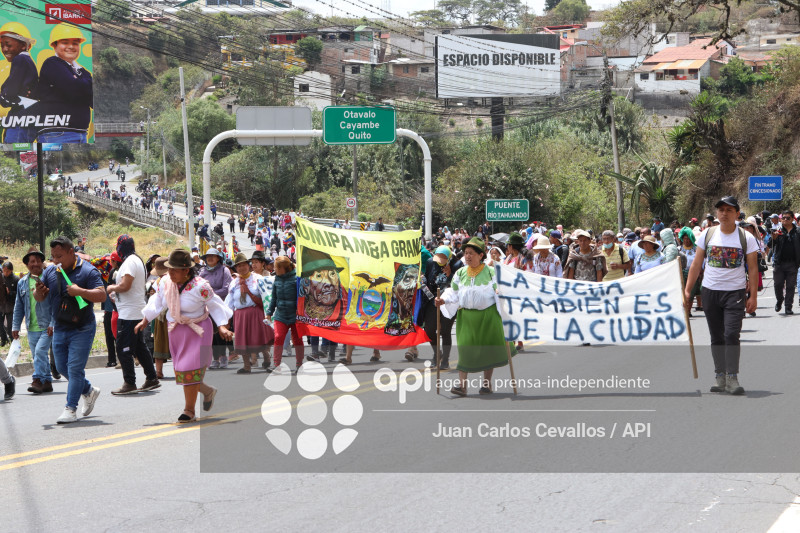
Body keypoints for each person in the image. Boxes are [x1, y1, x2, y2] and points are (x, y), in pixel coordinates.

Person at [137, 249, 233, 423]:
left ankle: (189, 411)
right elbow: (157, 302)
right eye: (169, 269)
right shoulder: (164, 283)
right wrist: (145, 320)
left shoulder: (200, 286)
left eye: (174, 270)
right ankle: (207, 391)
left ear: (186, 270)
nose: (170, 273)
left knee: (190, 369)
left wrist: (222, 327)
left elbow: (215, 306)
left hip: (198, 330)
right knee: (184, 372)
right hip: (176, 330)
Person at [684, 196, 758, 396]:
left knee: (731, 334)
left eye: (728, 210)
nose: (724, 213)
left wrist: (753, 296)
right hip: (710, 293)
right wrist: (688, 291)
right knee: (716, 336)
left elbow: (752, 268)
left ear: (736, 214)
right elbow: (696, 265)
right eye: (721, 210)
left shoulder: (746, 238)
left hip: (734, 293)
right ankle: (720, 376)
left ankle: (732, 377)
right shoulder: (707, 235)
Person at [34, 236, 104, 423]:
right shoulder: (51, 271)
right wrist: (38, 291)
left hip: (82, 327)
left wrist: (80, 291)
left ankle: (70, 408)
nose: (56, 260)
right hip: (60, 326)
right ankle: (89, 390)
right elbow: (39, 298)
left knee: (74, 369)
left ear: (71, 252)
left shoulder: (88, 270)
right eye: (53, 256)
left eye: (59, 256)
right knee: (62, 367)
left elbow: (102, 294)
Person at [435, 237, 515, 396]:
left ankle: (486, 384)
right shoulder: (460, 273)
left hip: (487, 317)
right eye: (466, 253)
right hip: (466, 318)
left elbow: (500, 290)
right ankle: (462, 386)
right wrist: (443, 299)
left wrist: (500, 293)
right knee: (465, 351)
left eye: (471, 253)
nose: (468, 256)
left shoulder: (492, 272)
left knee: (486, 352)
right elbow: (454, 292)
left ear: (480, 255)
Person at [106, 235, 160, 395]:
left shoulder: (130, 261)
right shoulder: (136, 259)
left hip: (129, 313)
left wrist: (111, 288)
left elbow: (126, 285)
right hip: (134, 309)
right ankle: (152, 378)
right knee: (139, 347)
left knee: (123, 347)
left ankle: (129, 383)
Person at [30, 24, 92, 143]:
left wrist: (78, 82)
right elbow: (73, 88)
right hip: (57, 133)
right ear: (54, 45)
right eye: (65, 42)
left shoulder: (83, 72)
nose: (71, 46)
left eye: (75, 43)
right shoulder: (52, 64)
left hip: (81, 133)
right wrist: (82, 85)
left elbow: (92, 98)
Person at [11, 248, 53, 393]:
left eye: (38, 261)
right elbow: (18, 306)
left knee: (41, 351)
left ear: (42, 262)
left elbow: (56, 302)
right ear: (27, 264)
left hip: (47, 325)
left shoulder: (48, 279)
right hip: (31, 327)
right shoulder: (22, 283)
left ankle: (37, 380)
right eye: (32, 261)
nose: (35, 264)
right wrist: (15, 326)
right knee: (37, 355)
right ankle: (47, 380)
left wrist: (53, 323)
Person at [224, 253, 269, 374]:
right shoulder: (234, 283)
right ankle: (246, 365)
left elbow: (266, 296)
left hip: (255, 312)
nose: (241, 268)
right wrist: (227, 319)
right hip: (240, 315)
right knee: (242, 341)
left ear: (248, 266)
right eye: (238, 266)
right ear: (236, 269)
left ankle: (266, 357)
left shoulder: (257, 279)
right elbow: (229, 301)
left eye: (243, 265)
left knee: (259, 338)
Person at [0, 22, 38, 143]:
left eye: (8, 44)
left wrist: (4, 98)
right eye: (1, 45)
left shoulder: (20, 59)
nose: (4, 49)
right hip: (24, 120)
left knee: (15, 152)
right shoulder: (27, 61)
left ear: (23, 45)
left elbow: (9, 95)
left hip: (21, 121)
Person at [266, 256, 304, 373]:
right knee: (278, 337)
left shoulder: (296, 279)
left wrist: (300, 312)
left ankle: (299, 364)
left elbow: (302, 297)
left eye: (276, 267)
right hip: (280, 314)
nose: (274, 269)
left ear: (282, 268)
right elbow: (274, 298)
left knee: (297, 340)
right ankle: (276, 365)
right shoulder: (276, 279)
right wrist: (269, 312)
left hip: (295, 315)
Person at [198, 248, 233, 370]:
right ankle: (215, 358)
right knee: (210, 333)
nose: (210, 258)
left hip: (220, 305)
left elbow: (227, 288)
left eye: (213, 256)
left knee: (220, 332)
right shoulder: (202, 272)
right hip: (206, 307)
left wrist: (211, 294)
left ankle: (223, 356)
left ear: (218, 258)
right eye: (208, 256)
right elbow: (198, 288)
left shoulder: (225, 270)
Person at [770, 210, 800, 315]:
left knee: (791, 286)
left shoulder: (798, 231)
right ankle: (779, 300)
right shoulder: (777, 231)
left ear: (792, 219)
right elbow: (770, 244)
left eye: (788, 218)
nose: (785, 220)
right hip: (779, 263)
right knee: (778, 284)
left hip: (792, 263)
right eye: (783, 218)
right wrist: (774, 238)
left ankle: (788, 307)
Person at [678, 227, 703, 315]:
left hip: (693, 274)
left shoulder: (696, 249)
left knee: (691, 293)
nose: (686, 240)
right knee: (682, 293)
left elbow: (701, 262)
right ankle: (683, 311)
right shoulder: (679, 249)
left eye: (688, 238)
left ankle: (688, 311)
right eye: (684, 239)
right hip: (681, 273)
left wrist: (701, 274)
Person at [0, 261, 18, 346]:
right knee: (0, 324)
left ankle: (12, 341)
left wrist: (9, 292)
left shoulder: (16, 279)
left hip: (11, 305)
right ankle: (3, 339)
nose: (5, 273)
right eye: (4, 270)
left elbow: (19, 294)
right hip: (1, 305)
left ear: (11, 270)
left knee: (10, 325)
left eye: (7, 271)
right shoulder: (1, 278)